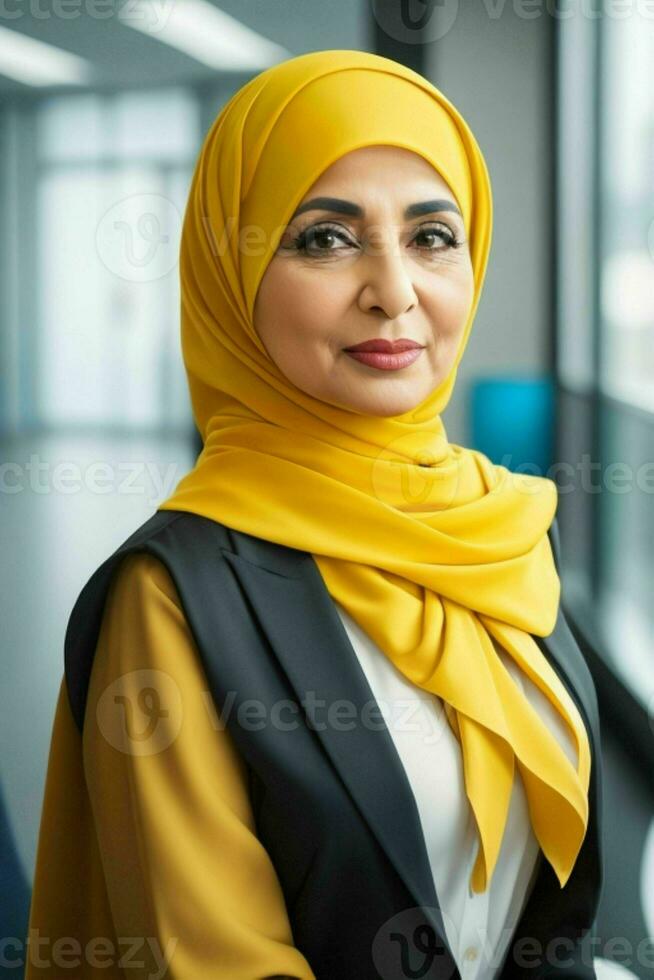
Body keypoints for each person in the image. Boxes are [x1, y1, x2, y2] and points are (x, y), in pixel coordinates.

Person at [26, 49, 604, 979]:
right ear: (230, 274)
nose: (395, 291)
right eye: (325, 239)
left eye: (432, 236)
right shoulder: (175, 598)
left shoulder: (507, 530)